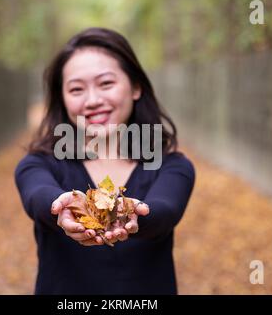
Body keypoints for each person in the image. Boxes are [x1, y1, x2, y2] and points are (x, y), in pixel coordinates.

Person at [14, 27, 195, 295]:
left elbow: (165, 210)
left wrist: (134, 215)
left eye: (106, 83)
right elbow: (38, 195)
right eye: (76, 89)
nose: (93, 100)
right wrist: (63, 210)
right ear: (62, 100)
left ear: (135, 87)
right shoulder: (38, 164)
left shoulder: (171, 166)